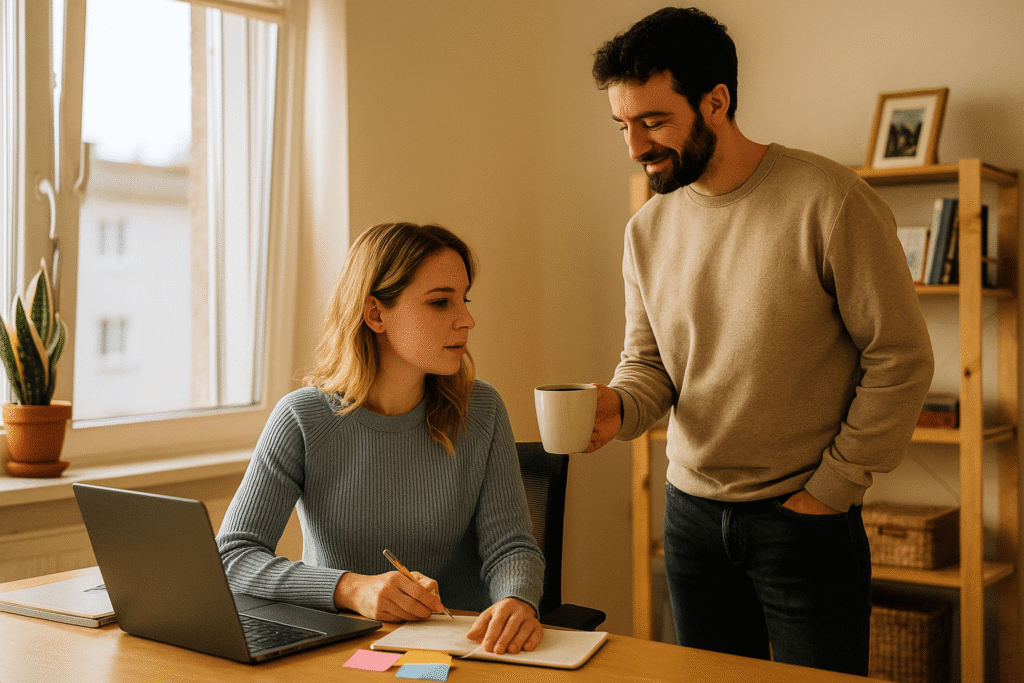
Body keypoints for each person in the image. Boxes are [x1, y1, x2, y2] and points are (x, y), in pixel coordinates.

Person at [588, 7, 934, 676]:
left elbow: (901, 355)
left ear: (716, 102)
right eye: (622, 125)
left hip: (804, 519)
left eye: (653, 121)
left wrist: (831, 489)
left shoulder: (830, 201)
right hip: (690, 518)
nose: (634, 146)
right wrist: (619, 406)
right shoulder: (647, 230)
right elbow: (650, 363)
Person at [216, 222, 545, 656]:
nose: (467, 320)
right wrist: (351, 589)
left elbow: (511, 545)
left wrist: (516, 599)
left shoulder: (481, 409)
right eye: (441, 302)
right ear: (376, 314)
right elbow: (232, 557)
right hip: (344, 656)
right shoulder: (302, 418)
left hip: (456, 656)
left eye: (463, 300)